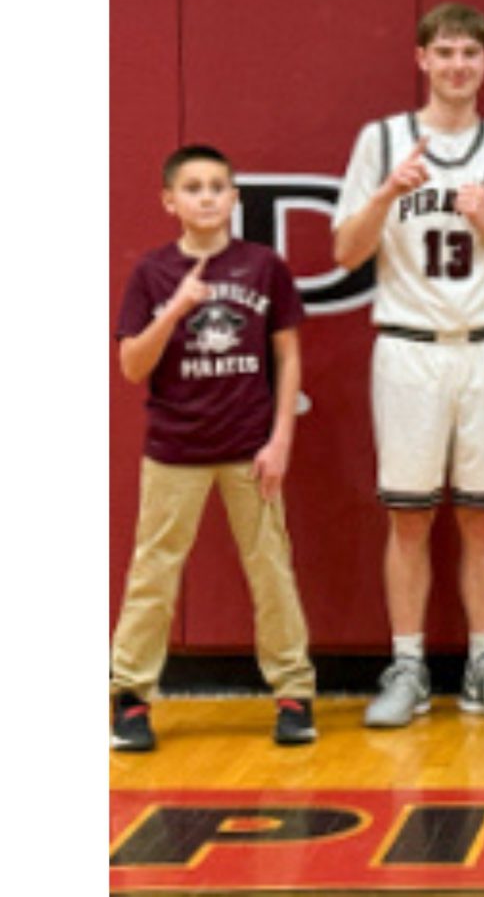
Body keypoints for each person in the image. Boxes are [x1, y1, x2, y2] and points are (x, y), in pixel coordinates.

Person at [333, 2, 484, 728]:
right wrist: (389, 192)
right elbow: (345, 252)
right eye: (445, 52)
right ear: (422, 59)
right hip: (408, 347)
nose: (458, 65)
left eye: (470, 53)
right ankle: (408, 665)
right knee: (411, 518)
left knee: (483, 522)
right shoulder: (383, 140)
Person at [109, 145, 317, 751]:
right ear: (170, 201)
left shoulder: (264, 266)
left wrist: (281, 440)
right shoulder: (151, 273)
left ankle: (294, 693)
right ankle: (129, 697)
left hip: (250, 447)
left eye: (217, 186)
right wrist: (174, 311)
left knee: (271, 568)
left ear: (234, 198)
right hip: (174, 448)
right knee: (153, 571)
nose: (206, 196)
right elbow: (130, 365)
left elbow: (288, 357)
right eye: (193, 187)